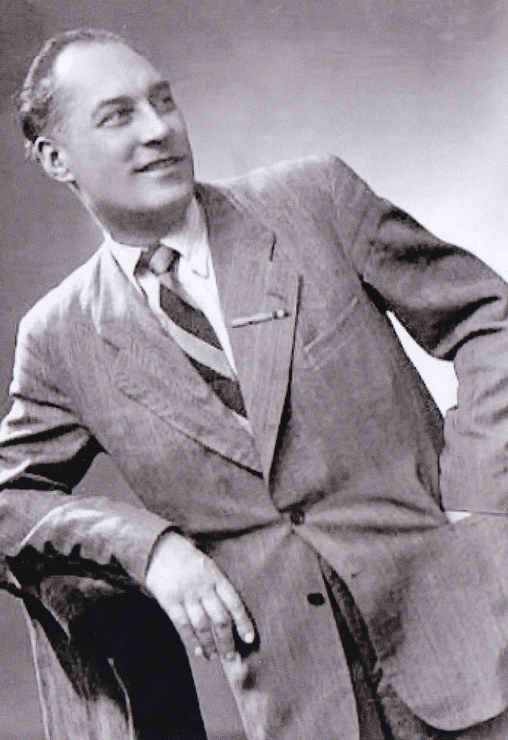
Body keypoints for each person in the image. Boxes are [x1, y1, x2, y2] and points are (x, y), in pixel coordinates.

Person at [2, 27, 508, 740]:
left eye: (162, 101)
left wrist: (484, 497)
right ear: (56, 158)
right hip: (303, 709)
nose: (157, 129)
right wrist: (151, 549)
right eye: (117, 116)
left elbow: (489, 319)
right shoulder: (58, 338)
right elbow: (11, 503)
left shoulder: (314, 199)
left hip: (474, 645)